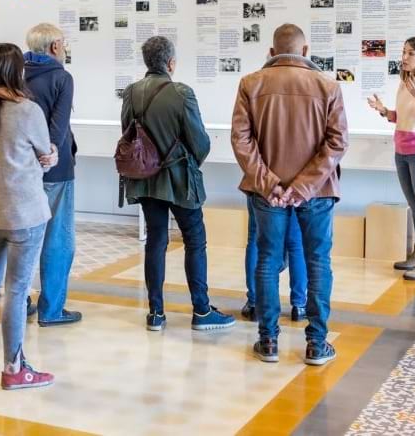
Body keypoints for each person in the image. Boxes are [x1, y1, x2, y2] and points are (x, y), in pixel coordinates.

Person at [232, 24, 347, 366]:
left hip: (267, 194)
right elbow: (337, 142)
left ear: (271, 51)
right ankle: (316, 343)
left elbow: (241, 140)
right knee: (317, 261)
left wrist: (271, 184)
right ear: (306, 50)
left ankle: (268, 341)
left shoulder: (251, 84)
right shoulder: (327, 86)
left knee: (267, 259)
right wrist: (303, 187)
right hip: (318, 192)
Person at [121, 36, 235, 332]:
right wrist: (188, 162)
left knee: (155, 242)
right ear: (171, 63)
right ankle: (201, 310)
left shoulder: (131, 93)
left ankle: (156, 313)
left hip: (146, 180)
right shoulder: (182, 92)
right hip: (181, 179)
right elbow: (200, 141)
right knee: (195, 240)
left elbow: (128, 134)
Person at [0, 43, 58, 390]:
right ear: (14, 73)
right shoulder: (27, 110)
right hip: (25, 214)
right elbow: (46, 154)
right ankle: (14, 368)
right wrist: (53, 155)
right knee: (16, 291)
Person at [368, 35, 415, 280]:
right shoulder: (405, 82)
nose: (404, 57)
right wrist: (383, 111)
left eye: (411, 53)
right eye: (404, 52)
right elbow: (401, 117)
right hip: (402, 150)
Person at [23, 23, 82, 327]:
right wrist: (49, 155)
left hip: (22, 169)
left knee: (24, 237)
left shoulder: (17, 74)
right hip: (55, 169)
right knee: (58, 239)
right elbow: (57, 128)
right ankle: (52, 309)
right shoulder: (62, 77)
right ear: (55, 47)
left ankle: (21, 303)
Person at [242, 198, 307, 322]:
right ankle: (299, 306)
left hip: (262, 186)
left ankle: (255, 303)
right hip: (294, 185)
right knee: (296, 242)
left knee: (256, 238)